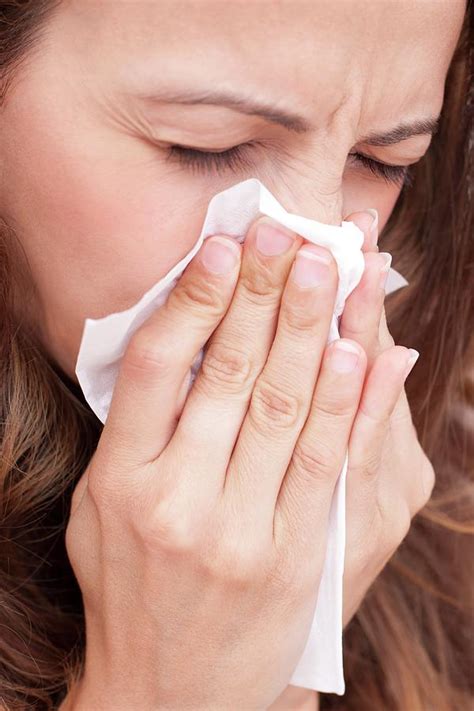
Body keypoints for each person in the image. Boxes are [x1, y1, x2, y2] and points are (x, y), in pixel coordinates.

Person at [0, 1, 472, 709]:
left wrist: (292, 652)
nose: (309, 255)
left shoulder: (448, 515)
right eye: (206, 146)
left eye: (382, 160)